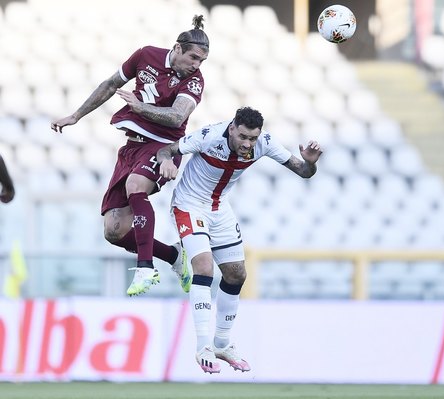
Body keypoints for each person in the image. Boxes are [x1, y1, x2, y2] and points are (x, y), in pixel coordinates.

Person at [50, 15, 210, 296]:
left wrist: (138, 107)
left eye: (201, 61)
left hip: (163, 148)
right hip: (131, 148)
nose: (196, 66)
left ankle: (145, 268)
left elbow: (176, 117)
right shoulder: (145, 55)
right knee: (113, 231)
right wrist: (76, 115)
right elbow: (111, 84)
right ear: (177, 48)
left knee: (136, 186)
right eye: (193, 58)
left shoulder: (195, 81)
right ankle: (174, 257)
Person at [156, 106, 322, 374]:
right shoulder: (209, 135)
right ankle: (203, 347)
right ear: (232, 128)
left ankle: (221, 343)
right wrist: (165, 161)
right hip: (189, 205)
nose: (247, 144)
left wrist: (311, 162)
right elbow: (167, 150)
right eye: (243, 136)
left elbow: (303, 172)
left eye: (252, 139)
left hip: (219, 209)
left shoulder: (264, 143)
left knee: (236, 274)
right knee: (204, 267)